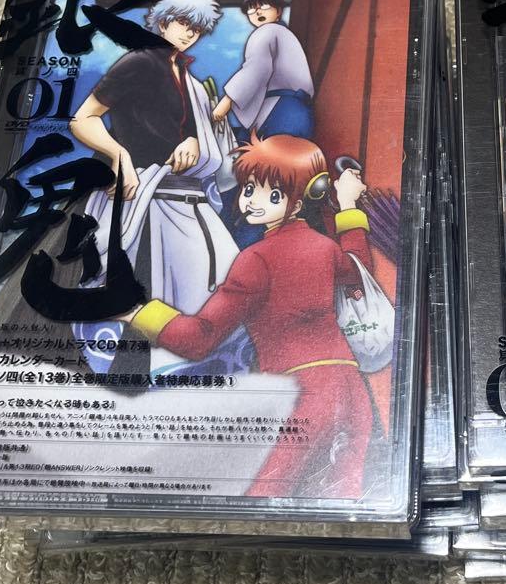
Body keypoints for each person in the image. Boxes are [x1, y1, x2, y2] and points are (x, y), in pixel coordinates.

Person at [122, 134, 380, 499]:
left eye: (273, 195)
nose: (252, 202)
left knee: (264, 496)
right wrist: (349, 204)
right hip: (352, 390)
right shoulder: (324, 247)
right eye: (248, 189)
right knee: (344, 494)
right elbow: (359, 273)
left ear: (301, 199)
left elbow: (199, 338)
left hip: (302, 394)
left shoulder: (256, 259)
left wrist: (138, 312)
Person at [69, 0, 239, 373]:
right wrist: (119, 157)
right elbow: (83, 119)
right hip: (143, 193)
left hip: (184, 196)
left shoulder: (187, 77)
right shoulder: (140, 62)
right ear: (162, 22)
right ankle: (127, 377)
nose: (189, 33)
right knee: (143, 287)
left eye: (197, 28)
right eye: (183, 23)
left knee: (212, 284)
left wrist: (194, 141)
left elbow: (186, 134)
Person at [211, 0, 315, 139]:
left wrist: (226, 102)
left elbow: (256, 69)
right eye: (251, 9)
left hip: (280, 111)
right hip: (300, 113)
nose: (258, 11)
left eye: (264, 6)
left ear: (279, 11)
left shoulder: (267, 31)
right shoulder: (285, 34)